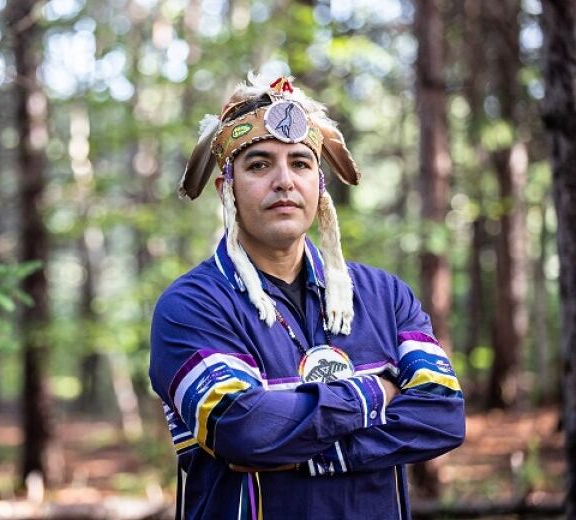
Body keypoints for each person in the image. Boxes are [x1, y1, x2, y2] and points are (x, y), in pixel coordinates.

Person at [148, 74, 465, 520]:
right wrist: (379, 391)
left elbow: (443, 415)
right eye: (259, 165)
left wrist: (305, 451)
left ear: (320, 183)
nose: (284, 181)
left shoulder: (385, 297)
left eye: (300, 163)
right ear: (227, 188)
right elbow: (243, 428)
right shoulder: (192, 306)